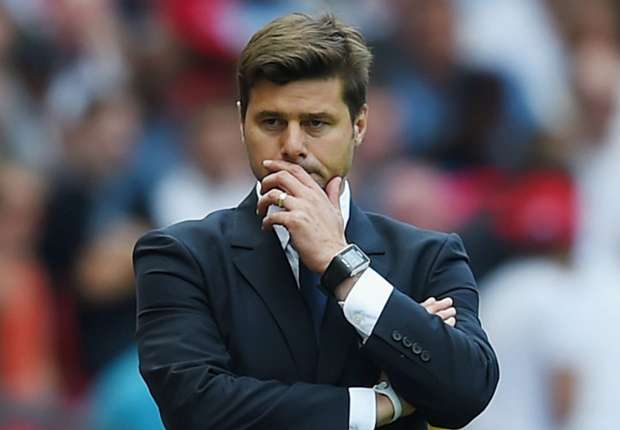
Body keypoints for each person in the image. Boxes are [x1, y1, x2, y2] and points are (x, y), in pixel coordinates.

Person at [133, 13, 498, 430]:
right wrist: (377, 405)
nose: (292, 145)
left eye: (316, 123)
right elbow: (196, 408)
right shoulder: (180, 257)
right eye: (271, 122)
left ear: (359, 125)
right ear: (242, 123)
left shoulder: (429, 256)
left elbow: (467, 391)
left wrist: (343, 266)